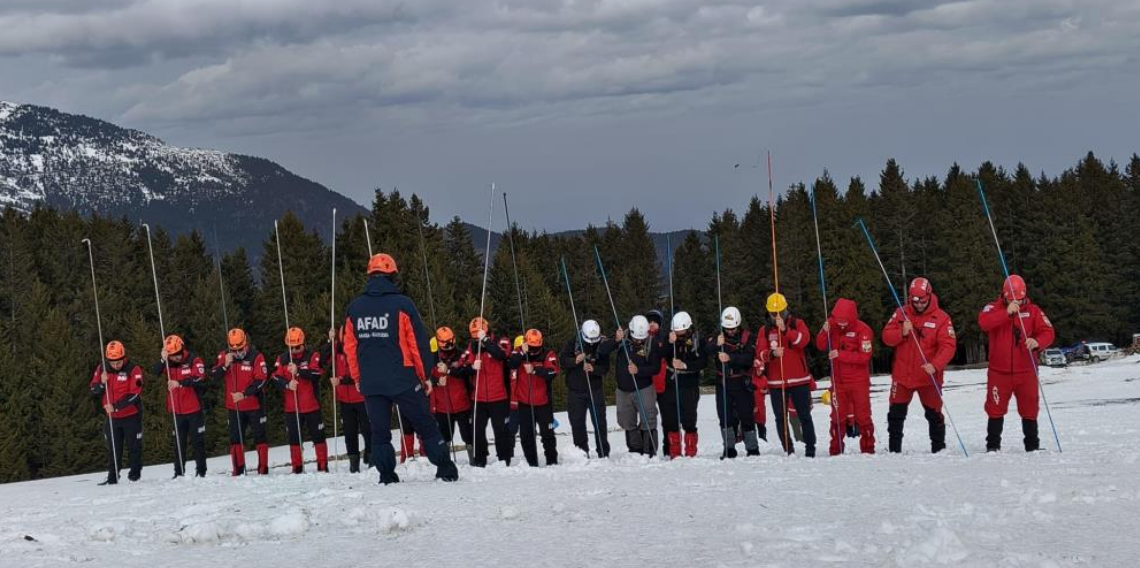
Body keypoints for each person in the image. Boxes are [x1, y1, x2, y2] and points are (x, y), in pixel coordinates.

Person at [343, 253, 458, 484]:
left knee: (379, 433)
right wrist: (425, 376)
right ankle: (445, 469)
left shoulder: (354, 308)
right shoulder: (402, 304)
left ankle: (386, 475)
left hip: (371, 382)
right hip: (403, 378)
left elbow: (350, 348)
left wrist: (357, 378)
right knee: (425, 425)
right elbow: (417, 343)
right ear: (392, 275)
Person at [978, 275, 1055, 452]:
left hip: (1026, 371)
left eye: (1020, 299)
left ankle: (1032, 446)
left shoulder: (1034, 311)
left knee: (1030, 408)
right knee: (995, 408)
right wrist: (1006, 313)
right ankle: (992, 446)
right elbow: (984, 323)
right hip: (999, 372)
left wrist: (1037, 342)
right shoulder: (992, 308)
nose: (1017, 302)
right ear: (1004, 295)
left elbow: (1048, 332)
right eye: (1012, 299)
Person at [882, 277, 957, 453]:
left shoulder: (942, 318)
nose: (919, 305)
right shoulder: (901, 313)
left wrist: (935, 365)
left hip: (928, 377)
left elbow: (948, 346)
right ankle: (894, 452)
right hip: (902, 377)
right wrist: (902, 332)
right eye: (915, 301)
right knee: (895, 415)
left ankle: (939, 450)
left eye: (922, 301)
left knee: (934, 415)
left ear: (929, 296)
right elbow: (886, 337)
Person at [756, 293, 817, 457]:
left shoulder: (798, 323)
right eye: (773, 313)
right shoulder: (764, 330)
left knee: (804, 416)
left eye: (780, 312)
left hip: (799, 380)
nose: (777, 316)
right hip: (776, 382)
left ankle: (810, 448)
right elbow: (760, 353)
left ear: (786, 310)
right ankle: (788, 449)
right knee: (780, 418)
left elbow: (803, 341)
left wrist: (785, 330)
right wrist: (772, 354)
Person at [815, 298, 875, 455]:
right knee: (837, 416)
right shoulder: (831, 325)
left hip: (858, 382)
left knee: (863, 416)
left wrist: (840, 355)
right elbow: (820, 345)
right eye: (838, 321)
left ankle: (868, 449)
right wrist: (824, 332)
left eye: (844, 322)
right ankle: (835, 450)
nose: (841, 325)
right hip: (838, 381)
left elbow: (865, 357)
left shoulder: (863, 330)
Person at [211, 328, 270, 475]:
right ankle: (238, 469)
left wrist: (244, 394)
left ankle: (263, 468)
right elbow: (214, 375)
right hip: (234, 407)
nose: (237, 353)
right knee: (235, 439)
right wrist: (224, 365)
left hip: (254, 405)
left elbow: (261, 380)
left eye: (240, 349)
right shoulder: (224, 355)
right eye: (234, 350)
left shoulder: (256, 356)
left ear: (245, 344)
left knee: (260, 436)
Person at [271, 327, 328, 474]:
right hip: (292, 407)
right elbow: (275, 377)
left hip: (311, 405)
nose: (294, 350)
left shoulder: (312, 355)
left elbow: (317, 373)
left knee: (318, 436)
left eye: (297, 347)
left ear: (303, 343)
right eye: (291, 347)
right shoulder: (282, 358)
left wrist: (299, 371)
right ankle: (297, 467)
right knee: (294, 438)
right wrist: (287, 384)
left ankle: (322, 465)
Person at [460, 316, 514, 467]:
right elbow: (462, 364)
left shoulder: (501, 340)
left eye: (477, 334)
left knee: (501, 430)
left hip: (498, 395)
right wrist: (472, 367)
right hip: (478, 397)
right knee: (477, 431)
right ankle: (480, 459)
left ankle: (504, 459)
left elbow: (502, 355)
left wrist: (486, 341)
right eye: (473, 335)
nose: (475, 337)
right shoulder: (472, 346)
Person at [89, 341, 144, 485]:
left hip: (131, 415)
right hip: (112, 418)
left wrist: (116, 407)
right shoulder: (102, 368)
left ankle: (134, 476)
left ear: (123, 357)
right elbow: (94, 389)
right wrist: (101, 383)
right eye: (112, 362)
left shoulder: (134, 369)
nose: (115, 365)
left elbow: (135, 394)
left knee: (134, 447)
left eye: (118, 362)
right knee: (114, 448)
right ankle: (113, 477)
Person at [153, 334, 208, 477]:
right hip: (176, 410)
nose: (176, 358)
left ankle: (201, 471)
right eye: (172, 355)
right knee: (178, 443)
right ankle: (178, 472)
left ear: (182, 349)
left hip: (194, 409)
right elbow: (155, 372)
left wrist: (180, 383)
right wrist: (162, 359)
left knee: (198, 442)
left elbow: (199, 378)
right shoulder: (168, 362)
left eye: (177, 354)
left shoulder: (194, 360)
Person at [708, 307, 759, 458]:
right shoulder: (718, 336)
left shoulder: (748, 337)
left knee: (746, 415)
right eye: (727, 328)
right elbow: (706, 350)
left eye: (733, 328)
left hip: (741, 381)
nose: (730, 331)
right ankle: (729, 448)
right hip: (723, 382)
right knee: (725, 416)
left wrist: (731, 358)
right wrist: (716, 344)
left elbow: (749, 358)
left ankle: (752, 448)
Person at [560, 319, 615, 458]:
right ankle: (581, 453)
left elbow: (605, 368)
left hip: (595, 390)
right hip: (575, 390)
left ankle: (603, 452)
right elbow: (563, 361)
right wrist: (575, 360)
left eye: (594, 340)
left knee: (599, 422)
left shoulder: (602, 344)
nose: (592, 343)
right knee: (577, 423)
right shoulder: (573, 342)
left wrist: (593, 369)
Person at [657, 311, 707, 458]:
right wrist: (669, 343)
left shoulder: (697, 340)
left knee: (689, 419)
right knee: (671, 420)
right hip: (671, 384)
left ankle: (691, 452)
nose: (678, 334)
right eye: (676, 331)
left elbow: (702, 362)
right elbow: (660, 354)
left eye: (681, 332)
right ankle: (674, 453)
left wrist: (685, 365)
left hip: (689, 384)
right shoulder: (669, 338)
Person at [323, 326, 372, 473]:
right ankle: (353, 461)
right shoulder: (336, 349)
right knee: (350, 432)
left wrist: (341, 380)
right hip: (345, 399)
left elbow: (362, 373)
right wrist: (330, 341)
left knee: (368, 429)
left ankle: (371, 455)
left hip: (361, 396)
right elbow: (323, 360)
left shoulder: (361, 349)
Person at [509, 329, 561, 467]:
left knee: (548, 434)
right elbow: (511, 364)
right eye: (531, 347)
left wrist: (535, 370)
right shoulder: (519, 351)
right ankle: (532, 463)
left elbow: (553, 372)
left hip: (543, 403)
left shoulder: (548, 354)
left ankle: (552, 461)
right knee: (526, 436)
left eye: (536, 348)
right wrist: (522, 352)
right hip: (524, 402)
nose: (533, 351)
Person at [614, 315, 660, 456]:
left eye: (642, 338)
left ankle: (650, 450)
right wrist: (615, 340)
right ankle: (635, 450)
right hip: (623, 389)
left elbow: (656, 368)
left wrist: (638, 370)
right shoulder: (622, 338)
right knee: (627, 420)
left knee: (648, 418)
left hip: (643, 387)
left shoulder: (651, 343)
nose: (639, 341)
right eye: (636, 338)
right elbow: (602, 350)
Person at [430, 326, 475, 462]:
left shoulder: (461, 355)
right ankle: (445, 461)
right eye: (445, 342)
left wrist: (449, 369)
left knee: (468, 434)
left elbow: (468, 371)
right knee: (445, 436)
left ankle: (473, 459)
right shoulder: (432, 358)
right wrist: (437, 381)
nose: (449, 345)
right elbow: (424, 377)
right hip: (443, 406)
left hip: (462, 403)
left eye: (451, 340)